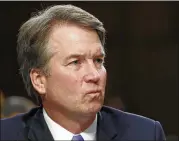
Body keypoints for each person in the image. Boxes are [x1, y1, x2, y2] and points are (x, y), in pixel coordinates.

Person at [0, 4, 166, 140]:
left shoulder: (145, 134)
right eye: (75, 62)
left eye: (98, 60)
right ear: (39, 80)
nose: (94, 75)